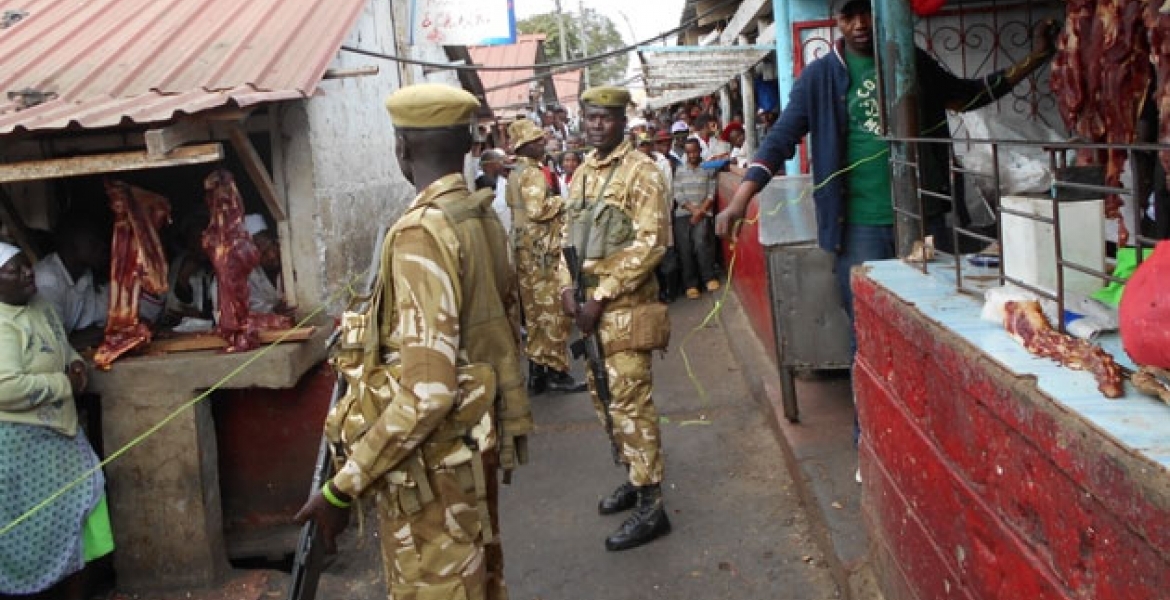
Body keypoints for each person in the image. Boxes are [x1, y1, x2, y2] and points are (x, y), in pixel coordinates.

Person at [295, 83, 530, 600]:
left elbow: (428, 392)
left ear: (401, 147)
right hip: (469, 455)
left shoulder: (421, 232)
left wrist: (343, 487)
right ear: (468, 145)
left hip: (435, 474)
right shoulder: (479, 216)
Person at [716, 0, 1057, 327]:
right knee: (867, 325)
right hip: (858, 227)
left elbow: (968, 96)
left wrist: (1037, 57)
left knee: (934, 317)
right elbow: (779, 141)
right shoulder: (819, 78)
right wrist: (739, 202)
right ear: (838, 21)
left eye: (866, 12)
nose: (860, 23)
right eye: (850, 16)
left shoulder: (911, 62)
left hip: (924, 220)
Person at [557, 85, 672, 551]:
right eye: (590, 118)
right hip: (589, 314)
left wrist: (600, 297)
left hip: (622, 311)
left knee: (630, 405)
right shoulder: (582, 173)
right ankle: (632, 475)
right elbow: (569, 236)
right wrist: (566, 288)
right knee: (604, 403)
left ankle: (652, 505)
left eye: (605, 118)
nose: (597, 125)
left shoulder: (641, 171)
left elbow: (651, 244)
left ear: (623, 120)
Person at [0, 241, 114, 599]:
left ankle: (77, 587)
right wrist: (63, 384)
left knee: (84, 504)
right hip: (21, 443)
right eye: (13, 270)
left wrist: (77, 364)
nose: (25, 273)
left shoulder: (42, 307)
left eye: (26, 265)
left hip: (62, 434)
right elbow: (5, 387)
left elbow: (64, 349)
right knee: (31, 532)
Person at [506, 118, 585, 395]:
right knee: (553, 314)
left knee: (535, 317)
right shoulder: (532, 173)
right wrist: (566, 201)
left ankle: (538, 374)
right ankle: (556, 372)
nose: (543, 143)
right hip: (541, 255)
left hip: (526, 255)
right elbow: (538, 210)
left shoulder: (516, 173)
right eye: (537, 140)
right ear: (524, 146)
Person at [34, 218, 164, 337]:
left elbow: (93, 321)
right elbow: (55, 339)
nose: (102, 246)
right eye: (93, 241)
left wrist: (131, 325)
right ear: (71, 243)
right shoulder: (47, 280)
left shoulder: (84, 276)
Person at [673, 138, 721, 299]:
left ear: (700, 150)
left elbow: (711, 193)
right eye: (689, 152)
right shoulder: (679, 171)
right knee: (685, 248)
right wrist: (693, 210)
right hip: (683, 213)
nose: (692, 155)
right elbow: (678, 194)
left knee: (701, 243)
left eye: (695, 151)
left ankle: (709, 277)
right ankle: (691, 284)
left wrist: (700, 212)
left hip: (703, 212)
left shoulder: (708, 169)